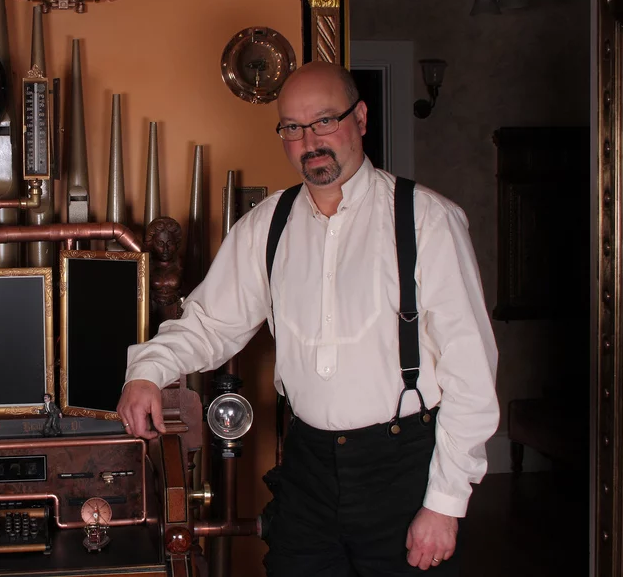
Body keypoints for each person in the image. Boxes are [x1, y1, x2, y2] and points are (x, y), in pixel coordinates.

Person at [117, 62, 499, 576]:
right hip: (308, 471)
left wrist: (445, 503)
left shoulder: (426, 219)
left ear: (360, 118)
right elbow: (209, 323)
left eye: (324, 121)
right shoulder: (266, 226)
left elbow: (470, 375)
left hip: (405, 471)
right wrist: (147, 371)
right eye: (292, 128)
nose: (309, 140)